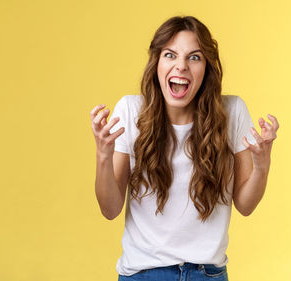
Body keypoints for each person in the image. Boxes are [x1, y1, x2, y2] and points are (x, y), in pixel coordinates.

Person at [89, 16, 280, 281]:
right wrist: (103, 154)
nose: (181, 66)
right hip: (143, 275)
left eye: (194, 57)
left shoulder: (232, 112)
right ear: (156, 63)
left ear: (207, 68)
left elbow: (246, 206)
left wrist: (262, 166)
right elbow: (109, 209)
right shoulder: (131, 111)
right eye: (170, 55)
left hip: (208, 274)